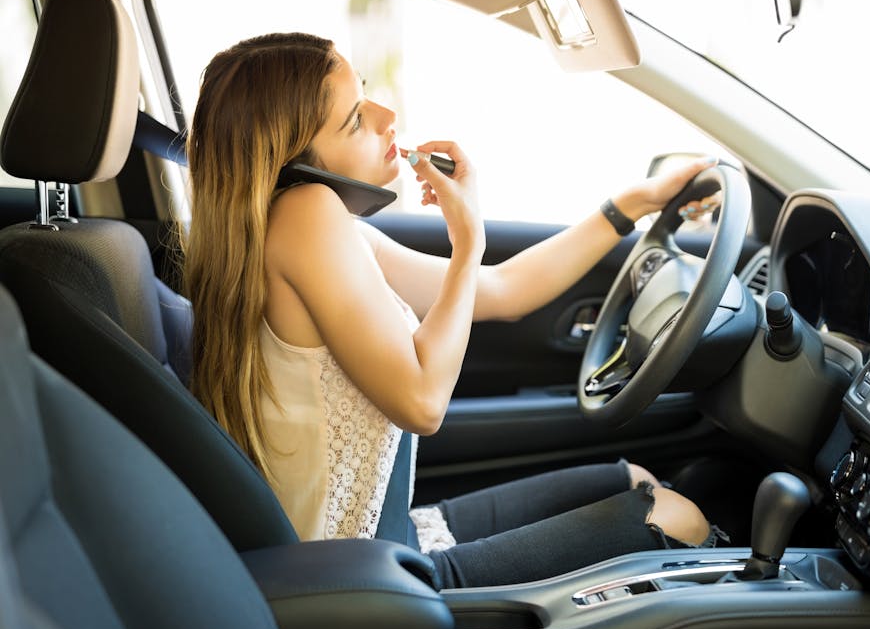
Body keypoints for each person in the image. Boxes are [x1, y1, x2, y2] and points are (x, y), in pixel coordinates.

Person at [183, 32, 722, 589]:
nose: (386, 115)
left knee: (635, 480)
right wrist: (466, 243)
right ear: (294, 159)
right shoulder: (306, 216)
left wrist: (633, 203)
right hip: (360, 583)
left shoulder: (311, 227)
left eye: (364, 94)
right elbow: (422, 402)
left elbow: (504, 290)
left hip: (388, 544)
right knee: (676, 521)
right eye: (354, 121)